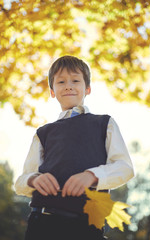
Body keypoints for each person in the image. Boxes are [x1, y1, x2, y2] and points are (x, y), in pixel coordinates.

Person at [15, 55, 135, 240]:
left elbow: (125, 168)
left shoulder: (104, 123)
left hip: (85, 224)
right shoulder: (43, 133)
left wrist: (92, 176)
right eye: (61, 81)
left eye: (75, 80)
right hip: (41, 222)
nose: (68, 85)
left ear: (87, 88)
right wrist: (33, 180)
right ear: (52, 91)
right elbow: (21, 182)